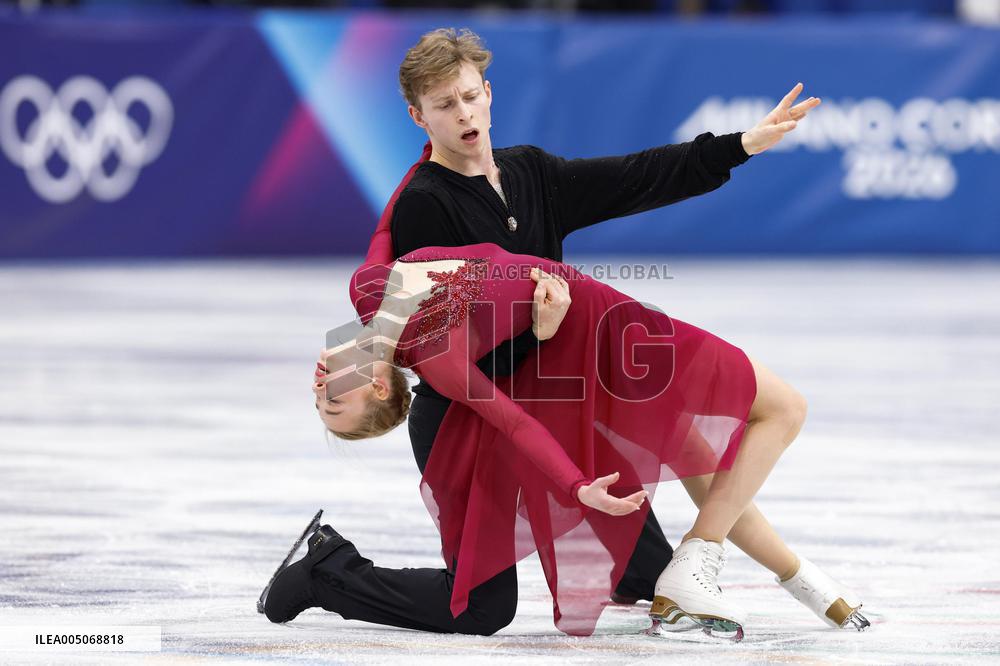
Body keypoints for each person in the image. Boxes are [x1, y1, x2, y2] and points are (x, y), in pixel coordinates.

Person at [261, 27, 856, 636]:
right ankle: (326, 571)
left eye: (470, 96)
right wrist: (541, 332)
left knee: (650, 577)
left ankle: (783, 575)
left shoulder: (529, 172)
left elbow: (636, 176)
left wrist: (742, 145)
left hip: (552, 392)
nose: (463, 113)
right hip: (466, 417)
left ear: (489, 93)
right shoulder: (425, 204)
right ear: (419, 117)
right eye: (444, 104)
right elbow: (444, 341)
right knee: (480, 609)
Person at [300, 241, 866, 637]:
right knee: (782, 410)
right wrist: (576, 487)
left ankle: (803, 580)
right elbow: (516, 424)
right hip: (606, 339)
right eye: (333, 404)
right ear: (379, 388)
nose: (319, 387)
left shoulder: (364, 290)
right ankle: (704, 565)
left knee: (704, 456)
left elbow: (390, 231)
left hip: (601, 316)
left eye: (321, 398)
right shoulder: (440, 362)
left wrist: (432, 146)